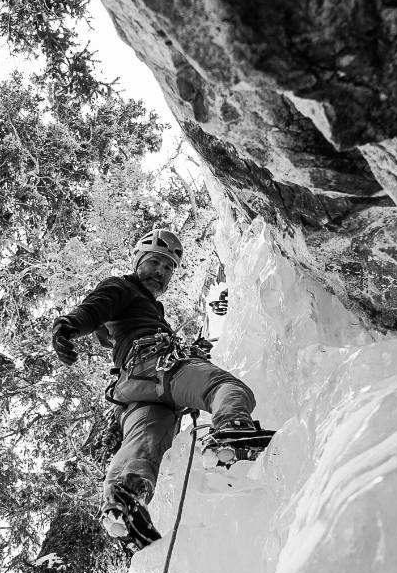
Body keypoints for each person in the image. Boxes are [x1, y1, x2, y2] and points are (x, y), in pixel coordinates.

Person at [51, 228, 256, 545]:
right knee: (225, 388)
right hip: (158, 367)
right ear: (138, 262)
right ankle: (233, 431)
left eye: (168, 268)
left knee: (145, 443)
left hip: (137, 387)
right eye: (155, 263)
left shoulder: (145, 309)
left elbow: (110, 319)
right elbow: (97, 305)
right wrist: (69, 325)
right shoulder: (121, 287)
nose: (161, 272)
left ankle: (124, 500)